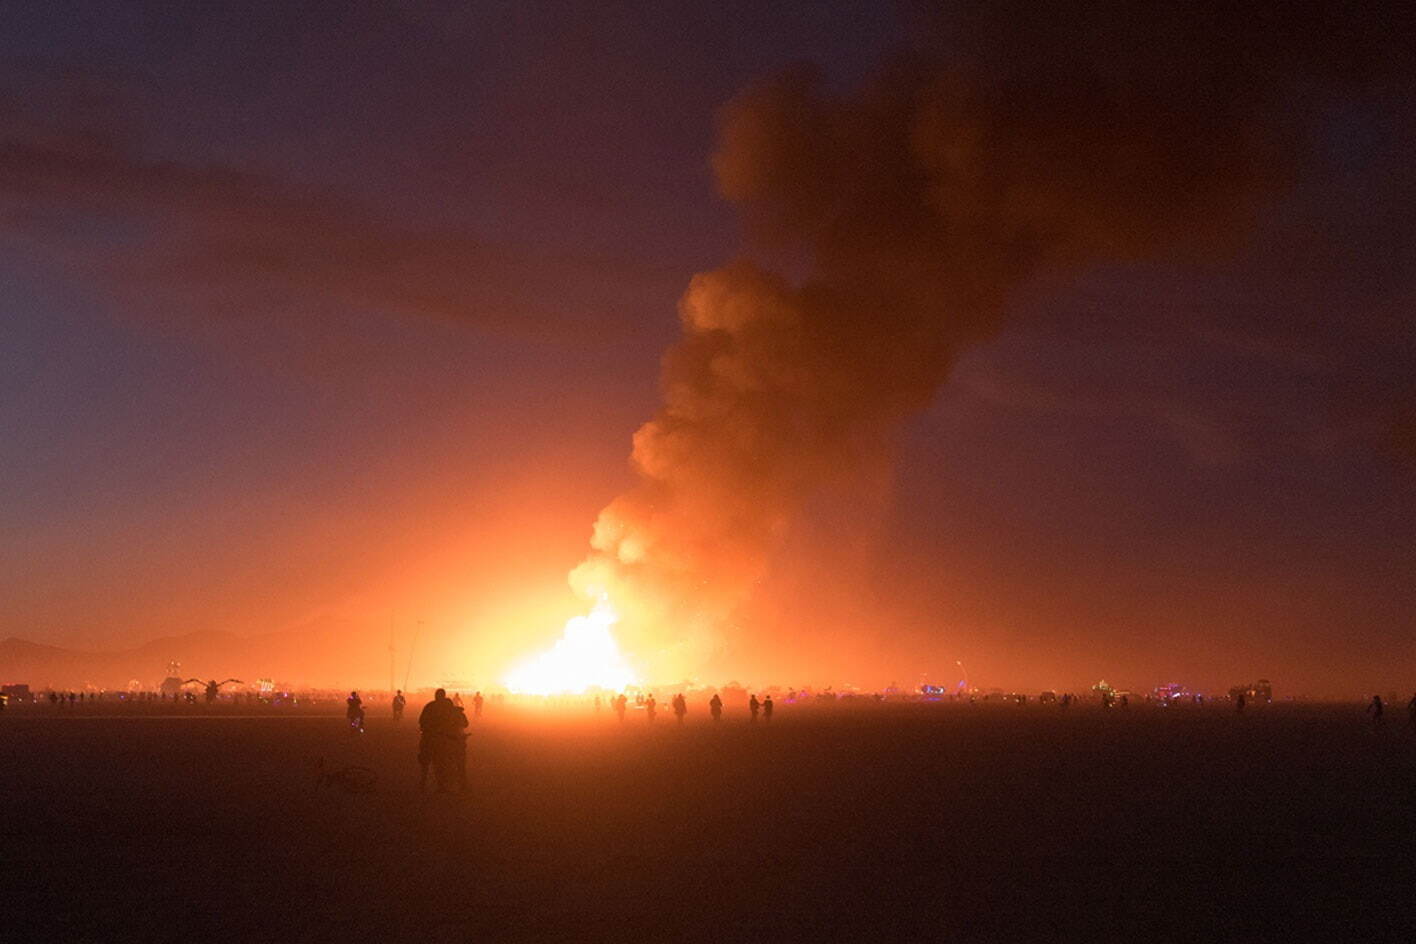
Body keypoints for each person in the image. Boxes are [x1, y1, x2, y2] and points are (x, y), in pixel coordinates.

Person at [418, 689, 468, 792]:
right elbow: (465, 724)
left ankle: (424, 783)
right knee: (459, 763)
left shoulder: (430, 707)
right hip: (450, 739)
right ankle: (462, 785)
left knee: (427, 761)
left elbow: (422, 722)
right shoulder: (453, 710)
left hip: (433, 738)